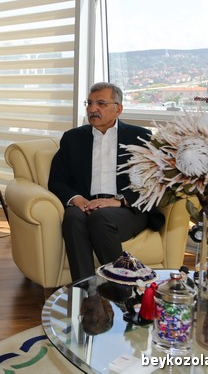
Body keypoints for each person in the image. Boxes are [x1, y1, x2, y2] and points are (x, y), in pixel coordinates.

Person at [48, 82, 164, 282]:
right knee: (73, 217)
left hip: (126, 209)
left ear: (118, 109)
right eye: (90, 103)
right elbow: (57, 179)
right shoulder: (72, 138)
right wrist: (76, 198)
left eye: (101, 103)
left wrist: (119, 200)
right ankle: (85, 288)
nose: (93, 109)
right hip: (86, 203)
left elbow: (154, 180)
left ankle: (120, 286)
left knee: (100, 218)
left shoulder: (139, 137)